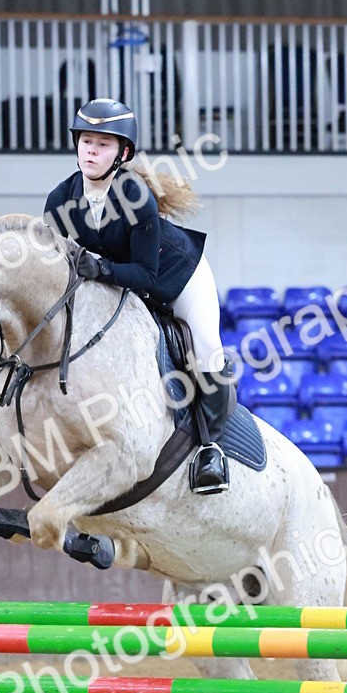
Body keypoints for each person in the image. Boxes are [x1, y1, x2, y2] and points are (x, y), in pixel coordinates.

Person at [43, 97, 231, 495]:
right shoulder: (59, 201)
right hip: (117, 285)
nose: (91, 150)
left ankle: (211, 449)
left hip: (177, 280)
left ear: (123, 153)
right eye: (86, 141)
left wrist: (102, 269)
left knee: (208, 350)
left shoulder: (137, 198)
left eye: (103, 144)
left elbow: (145, 276)